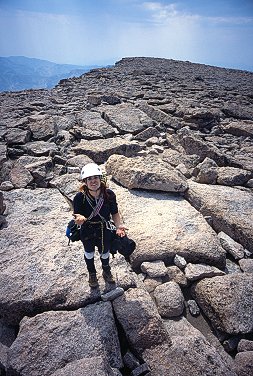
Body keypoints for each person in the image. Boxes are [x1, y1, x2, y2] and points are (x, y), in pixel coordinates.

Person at [73, 162, 126, 288]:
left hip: (104, 228)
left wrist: (118, 226)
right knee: (89, 252)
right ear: (85, 181)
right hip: (87, 229)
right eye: (89, 179)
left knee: (105, 252)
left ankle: (106, 270)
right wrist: (79, 219)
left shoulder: (109, 195)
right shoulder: (80, 197)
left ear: (100, 178)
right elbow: (76, 215)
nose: (93, 181)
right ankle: (92, 273)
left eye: (95, 178)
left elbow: (115, 213)